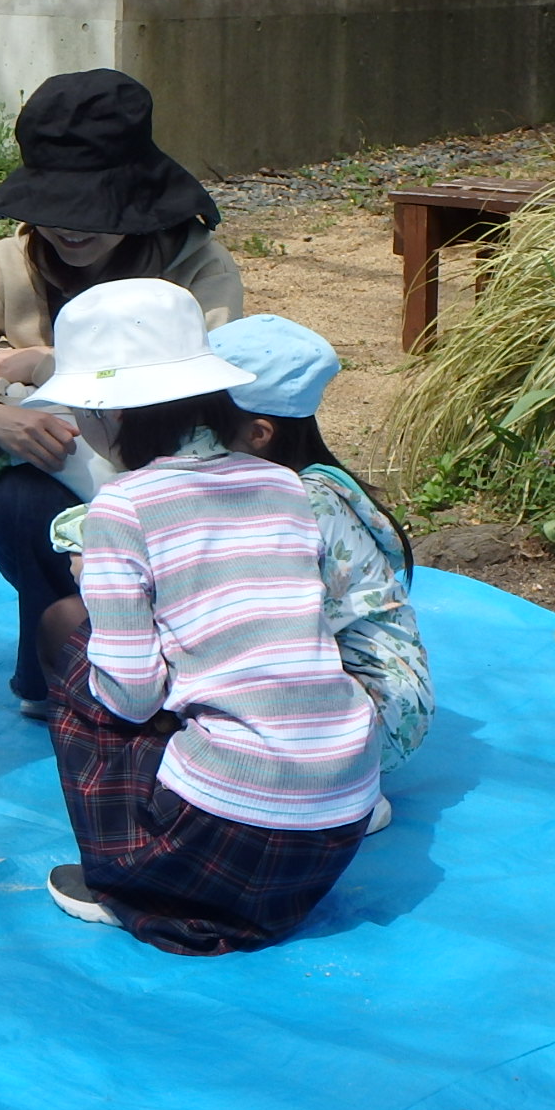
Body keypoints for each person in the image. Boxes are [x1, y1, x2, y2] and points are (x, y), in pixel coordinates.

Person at [0, 69, 242, 718]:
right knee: (17, 502)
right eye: (52, 208)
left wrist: (54, 365)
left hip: (167, 485)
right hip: (49, 488)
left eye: (91, 212)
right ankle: (74, 667)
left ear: (136, 200)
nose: (69, 230)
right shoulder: (5, 267)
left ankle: (159, 666)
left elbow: (212, 401)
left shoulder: (197, 270)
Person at [29, 280, 379, 956]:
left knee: (77, 655)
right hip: (336, 827)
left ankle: (132, 886)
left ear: (110, 417)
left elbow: (129, 697)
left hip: (225, 838)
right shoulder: (281, 482)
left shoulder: (123, 508)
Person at [206, 315, 433, 835]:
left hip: (371, 717)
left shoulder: (295, 507)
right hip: (377, 705)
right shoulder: (305, 480)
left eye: (198, 422)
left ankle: (337, 791)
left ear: (257, 434)